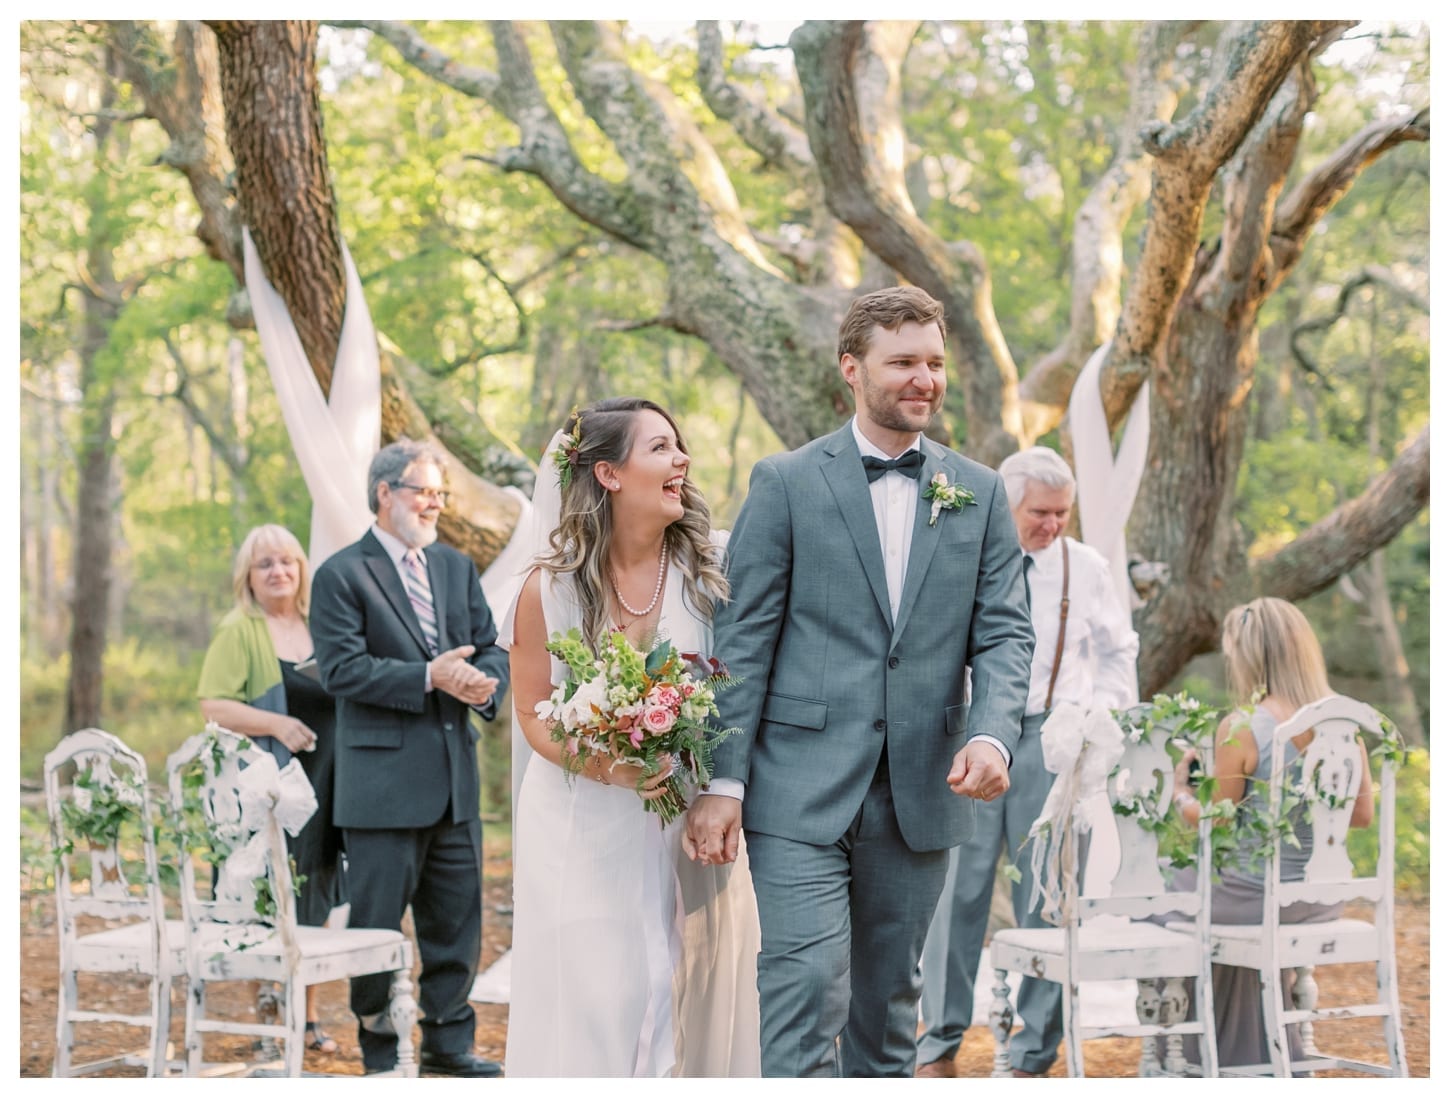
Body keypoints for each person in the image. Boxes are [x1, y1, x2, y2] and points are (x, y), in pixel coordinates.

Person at [683, 286, 1036, 1077]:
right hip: (796, 789)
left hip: (922, 787)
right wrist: (723, 781)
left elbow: (1008, 631)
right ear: (852, 367)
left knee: (887, 1010)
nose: (925, 379)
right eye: (903, 361)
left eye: (935, 363)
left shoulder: (978, 493)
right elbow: (742, 640)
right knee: (805, 984)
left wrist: (991, 733)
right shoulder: (786, 482)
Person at [501, 398, 761, 1077]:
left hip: (682, 820)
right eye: (661, 448)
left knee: (679, 981)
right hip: (578, 821)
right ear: (610, 474)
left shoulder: (711, 572)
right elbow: (532, 714)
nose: (682, 461)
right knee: (594, 991)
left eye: (680, 447)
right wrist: (612, 768)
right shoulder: (548, 589)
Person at [915, 446, 1141, 1077]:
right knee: (956, 893)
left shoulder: (1087, 567)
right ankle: (939, 1045)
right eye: (1041, 512)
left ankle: (1034, 1052)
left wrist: (1104, 717)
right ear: (1008, 503)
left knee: (1045, 893)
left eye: (1062, 514)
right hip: (970, 735)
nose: (1053, 524)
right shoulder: (965, 552)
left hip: (1051, 740)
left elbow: (1120, 652)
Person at [310, 439, 509, 1077]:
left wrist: (486, 685)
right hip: (380, 790)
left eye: (440, 494)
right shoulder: (341, 574)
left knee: (455, 926)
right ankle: (377, 1049)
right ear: (384, 493)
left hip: (454, 781)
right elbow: (342, 672)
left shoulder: (454, 567)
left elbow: (490, 648)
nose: (435, 504)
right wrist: (430, 676)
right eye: (424, 491)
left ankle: (449, 1049)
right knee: (375, 931)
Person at [1154, 596, 1374, 1071]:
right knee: (1213, 897)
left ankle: (1200, 1062)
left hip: (1258, 897)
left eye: (1233, 652)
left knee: (1163, 896)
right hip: (1320, 901)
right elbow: (1361, 817)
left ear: (1252, 656)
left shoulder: (1243, 727)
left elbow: (1218, 821)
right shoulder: (1345, 726)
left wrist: (1180, 793)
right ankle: (1259, 1057)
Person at [197, 523, 346, 1055]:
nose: (278, 571)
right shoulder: (240, 630)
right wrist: (276, 724)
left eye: (287, 561)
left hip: (326, 786)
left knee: (317, 897)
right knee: (261, 898)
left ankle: (306, 1017)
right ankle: (268, 1019)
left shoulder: (322, 624)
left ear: (302, 569)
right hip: (264, 795)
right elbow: (213, 705)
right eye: (265, 564)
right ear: (249, 577)